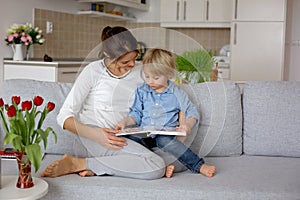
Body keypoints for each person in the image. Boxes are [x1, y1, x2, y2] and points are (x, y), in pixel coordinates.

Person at [40, 26, 166, 179]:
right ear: (108, 54)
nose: (132, 64)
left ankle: (101, 166)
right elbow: (64, 117)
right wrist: (97, 135)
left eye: (135, 57)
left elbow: (166, 94)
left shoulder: (142, 71)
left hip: (127, 136)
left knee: (176, 160)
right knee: (156, 166)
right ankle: (78, 163)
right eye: (125, 61)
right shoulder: (93, 71)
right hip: (92, 137)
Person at [116, 48, 216, 178]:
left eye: (156, 77)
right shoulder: (141, 91)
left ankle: (198, 165)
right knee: (124, 141)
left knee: (165, 142)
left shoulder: (177, 93)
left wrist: (187, 125)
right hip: (144, 134)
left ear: (168, 74)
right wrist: (125, 122)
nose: (150, 81)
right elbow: (136, 114)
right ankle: (159, 167)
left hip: (164, 136)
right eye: (147, 76)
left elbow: (192, 112)